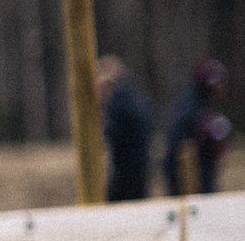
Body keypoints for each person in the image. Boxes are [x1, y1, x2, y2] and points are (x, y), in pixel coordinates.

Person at [164, 58, 231, 197]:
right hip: (192, 171)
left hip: (200, 167)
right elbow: (183, 138)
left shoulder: (203, 103)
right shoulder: (192, 105)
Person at [97, 56, 154, 203]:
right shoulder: (135, 99)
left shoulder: (119, 106)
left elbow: (114, 135)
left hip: (126, 172)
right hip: (140, 169)